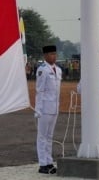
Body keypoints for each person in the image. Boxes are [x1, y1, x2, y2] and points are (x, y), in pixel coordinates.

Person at [35, 45, 61, 174]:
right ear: (45, 56)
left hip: (54, 108)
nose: (54, 56)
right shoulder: (42, 70)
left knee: (50, 137)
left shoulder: (59, 70)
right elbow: (40, 90)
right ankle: (42, 164)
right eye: (51, 54)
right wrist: (38, 109)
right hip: (44, 108)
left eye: (55, 54)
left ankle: (49, 161)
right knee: (42, 136)